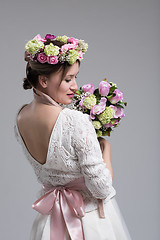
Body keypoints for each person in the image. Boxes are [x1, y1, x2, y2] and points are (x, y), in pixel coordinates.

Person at [14, 33, 132, 240]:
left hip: (48, 222)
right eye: (68, 79)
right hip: (87, 220)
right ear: (42, 80)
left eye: (75, 77)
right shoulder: (74, 120)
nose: (75, 86)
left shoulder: (20, 117)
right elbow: (102, 189)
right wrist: (106, 150)